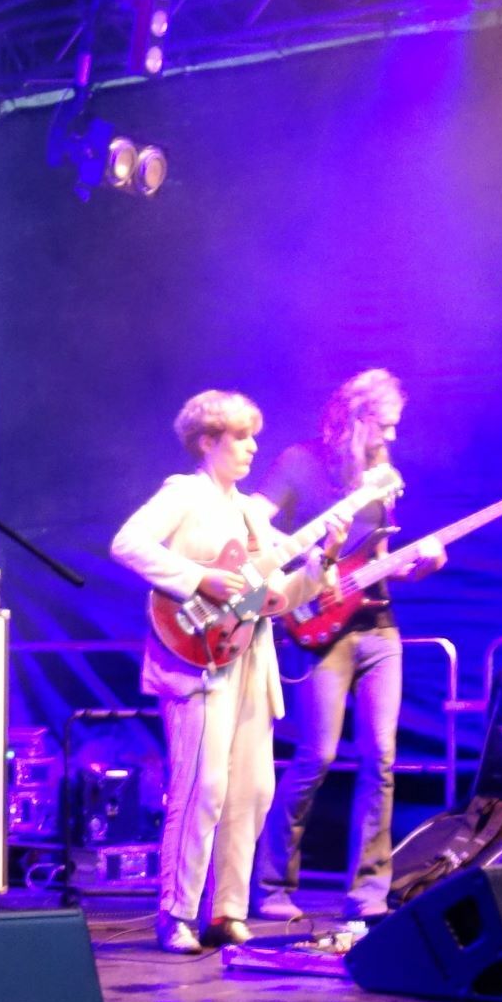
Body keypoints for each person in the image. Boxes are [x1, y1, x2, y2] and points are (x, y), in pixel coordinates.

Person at [111, 389, 341, 954]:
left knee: (252, 790)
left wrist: (322, 563)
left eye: (253, 436)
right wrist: (197, 578)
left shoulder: (250, 515)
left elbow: (273, 598)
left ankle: (228, 911)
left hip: (249, 661)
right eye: (240, 437)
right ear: (207, 442)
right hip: (195, 660)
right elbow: (127, 544)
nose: (252, 447)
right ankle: (177, 913)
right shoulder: (183, 493)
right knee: (202, 788)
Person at [252, 368, 445, 922]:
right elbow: (254, 527)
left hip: (380, 628)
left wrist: (420, 563)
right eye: (385, 425)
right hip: (318, 629)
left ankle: (368, 892)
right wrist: (307, 564)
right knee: (317, 756)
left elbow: (377, 559)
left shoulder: (384, 476)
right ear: (357, 419)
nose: (392, 436)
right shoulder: (299, 462)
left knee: (381, 758)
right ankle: (270, 886)